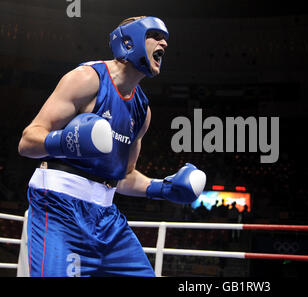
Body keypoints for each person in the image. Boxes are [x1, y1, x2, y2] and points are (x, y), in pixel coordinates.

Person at [17, 16, 206, 277]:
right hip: (59, 208)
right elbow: (27, 142)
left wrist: (162, 188)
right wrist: (66, 141)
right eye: (155, 35)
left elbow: (125, 176)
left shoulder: (142, 111)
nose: (164, 42)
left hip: (107, 217)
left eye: (165, 38)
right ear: (129, 41)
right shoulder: (87, 79)